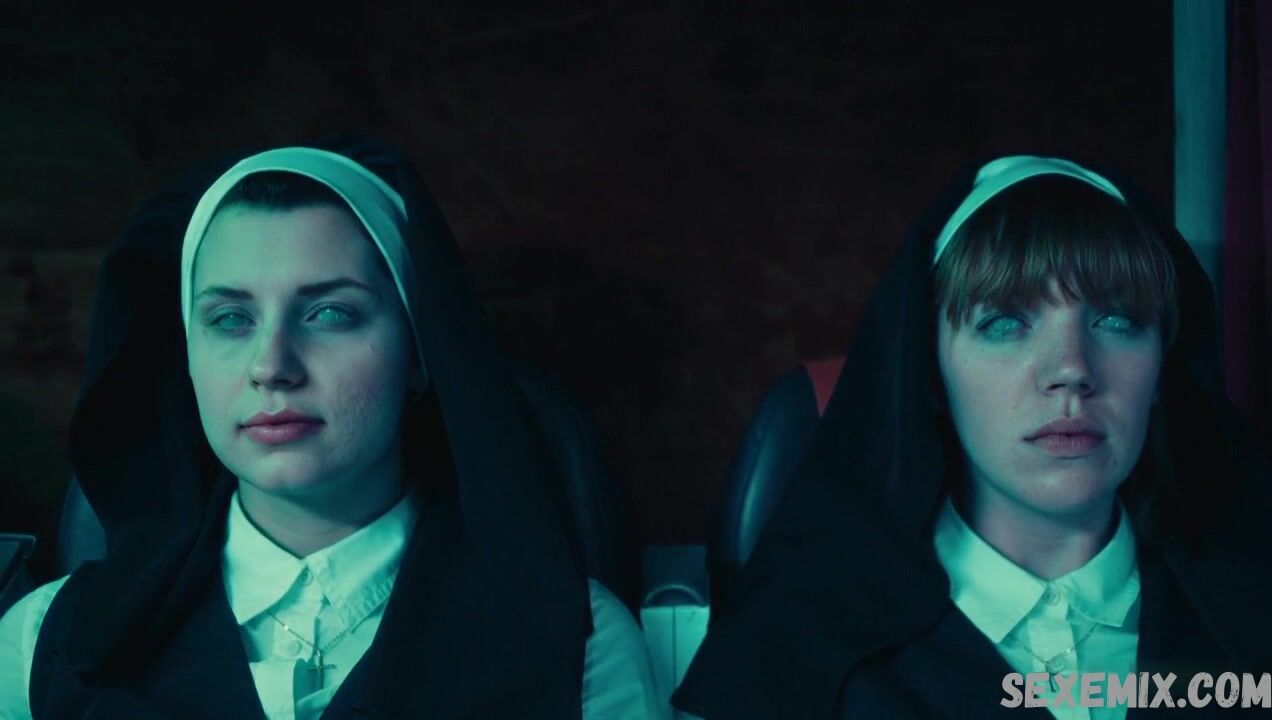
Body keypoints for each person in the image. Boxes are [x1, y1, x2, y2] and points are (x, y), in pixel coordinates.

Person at [0, 135, 666, 719]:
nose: (271, 366)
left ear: (419, 353)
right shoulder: (40, 643)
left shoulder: (580, 646)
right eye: (230, 319)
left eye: (329, 314)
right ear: (189, 359)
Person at [672, 156, 1272, 718]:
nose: (1071, 369)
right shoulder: (792, 659)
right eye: (1005, 322)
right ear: (931, 371)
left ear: (1163, 367)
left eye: (1117, 320)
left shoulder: (1251, 623)